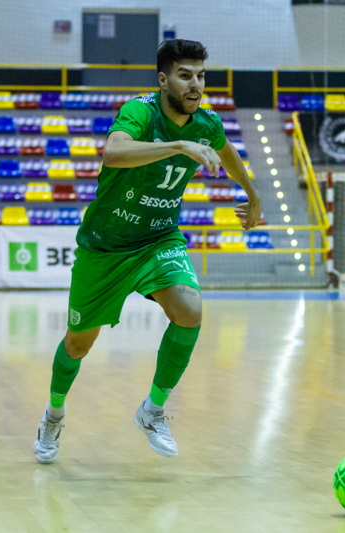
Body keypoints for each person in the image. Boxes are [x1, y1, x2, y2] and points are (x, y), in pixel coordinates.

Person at [34, 39, 261, 463]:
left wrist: (253, 194)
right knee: (78, 344)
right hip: (105, 247)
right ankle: (53, 415)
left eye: (201, 76)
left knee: (190, 310)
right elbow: (113, 152)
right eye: (185, 75)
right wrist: (179, 146)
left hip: (159, 239)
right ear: (163, 80)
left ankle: (153, 410)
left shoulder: (207, 123)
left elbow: (227, 152)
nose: (196, 85)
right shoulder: (140, 112)